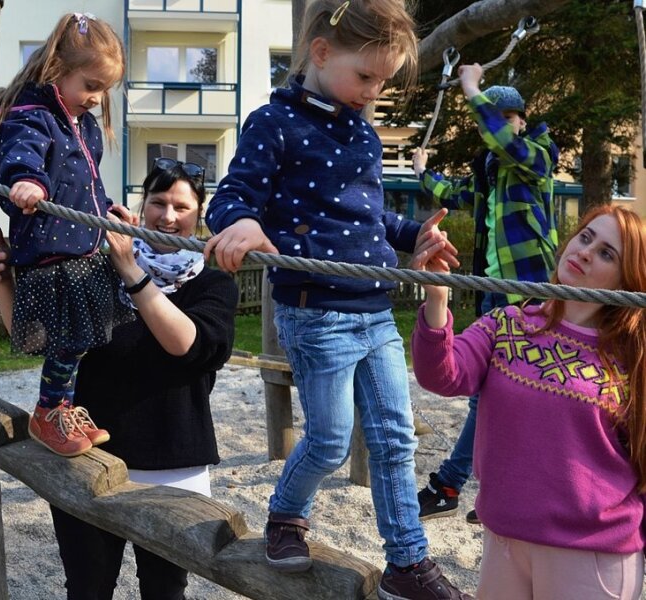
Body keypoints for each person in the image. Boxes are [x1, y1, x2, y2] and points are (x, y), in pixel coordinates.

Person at [203, 1, 470, 598]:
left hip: (375, 311)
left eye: (382, 80)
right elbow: (232, 196)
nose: (374, 92)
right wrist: (243, 223)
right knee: (327, 439)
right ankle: (287, 514)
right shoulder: (274, 123)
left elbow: (371, 216)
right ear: (321, 54)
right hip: (316, 310)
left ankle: (406, 562)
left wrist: (416, 235)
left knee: (396, 437)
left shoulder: (362, 130)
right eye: (367, 76)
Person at [0, 159, 239, 600]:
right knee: (87, 586)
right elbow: (37, 338)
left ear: (201, 212)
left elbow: (188, 347)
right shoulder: (96, 269)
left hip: (173, 465)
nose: (169, 216)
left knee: (164, 590)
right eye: (158, 202)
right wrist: (5, 280)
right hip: (88, 458)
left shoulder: (213, 284)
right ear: (143, 206)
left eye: (182, 205)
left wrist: (132, 274)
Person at [410, 204, 645, 599]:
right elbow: (443, 375)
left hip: (592, 555)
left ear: (628, 279)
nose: (586, 251)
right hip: (504, 541)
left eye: (608, 253)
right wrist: (437, 298)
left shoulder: (632, 358)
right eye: (585, 237)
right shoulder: (507, 324)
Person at [0, 12, 134, 457]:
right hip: (50, 253)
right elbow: (21, 155)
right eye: (90, 85)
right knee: (68, 341)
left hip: (79, 247)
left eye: (104, 89)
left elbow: (82, 184)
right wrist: (27, 181)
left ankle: (61, 407)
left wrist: (106, 211)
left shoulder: (80, 122)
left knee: (80, 341)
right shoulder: (31, 116)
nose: (97, 97)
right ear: (55, 70)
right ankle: (48, 413)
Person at [411, 63, 560, 524]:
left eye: (504, 119)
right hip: (495, 297)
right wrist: (421, 171)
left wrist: (471, 88)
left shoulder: (536, 155)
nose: (495, 131)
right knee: (492, 392)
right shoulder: (491, 171)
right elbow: (454, 193)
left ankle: (453, 484)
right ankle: (487, 486)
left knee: (501, 395)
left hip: (530, 292)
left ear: (518, 118)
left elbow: (508, 143)